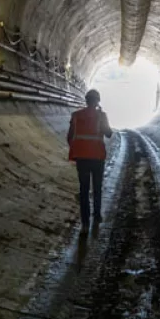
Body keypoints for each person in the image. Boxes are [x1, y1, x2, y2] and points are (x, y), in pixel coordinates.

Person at [68, 89, 112, 230]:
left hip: (82, 159)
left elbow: (70, 137)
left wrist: (79, 149)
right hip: (97, 158)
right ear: (97, 101)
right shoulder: (101, 115)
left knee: (84, 190)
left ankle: (85, 223)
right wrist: (102, 117)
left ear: (86, 100)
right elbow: (109, 134)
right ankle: (97, 216)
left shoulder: (76, 115)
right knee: (97, 188)